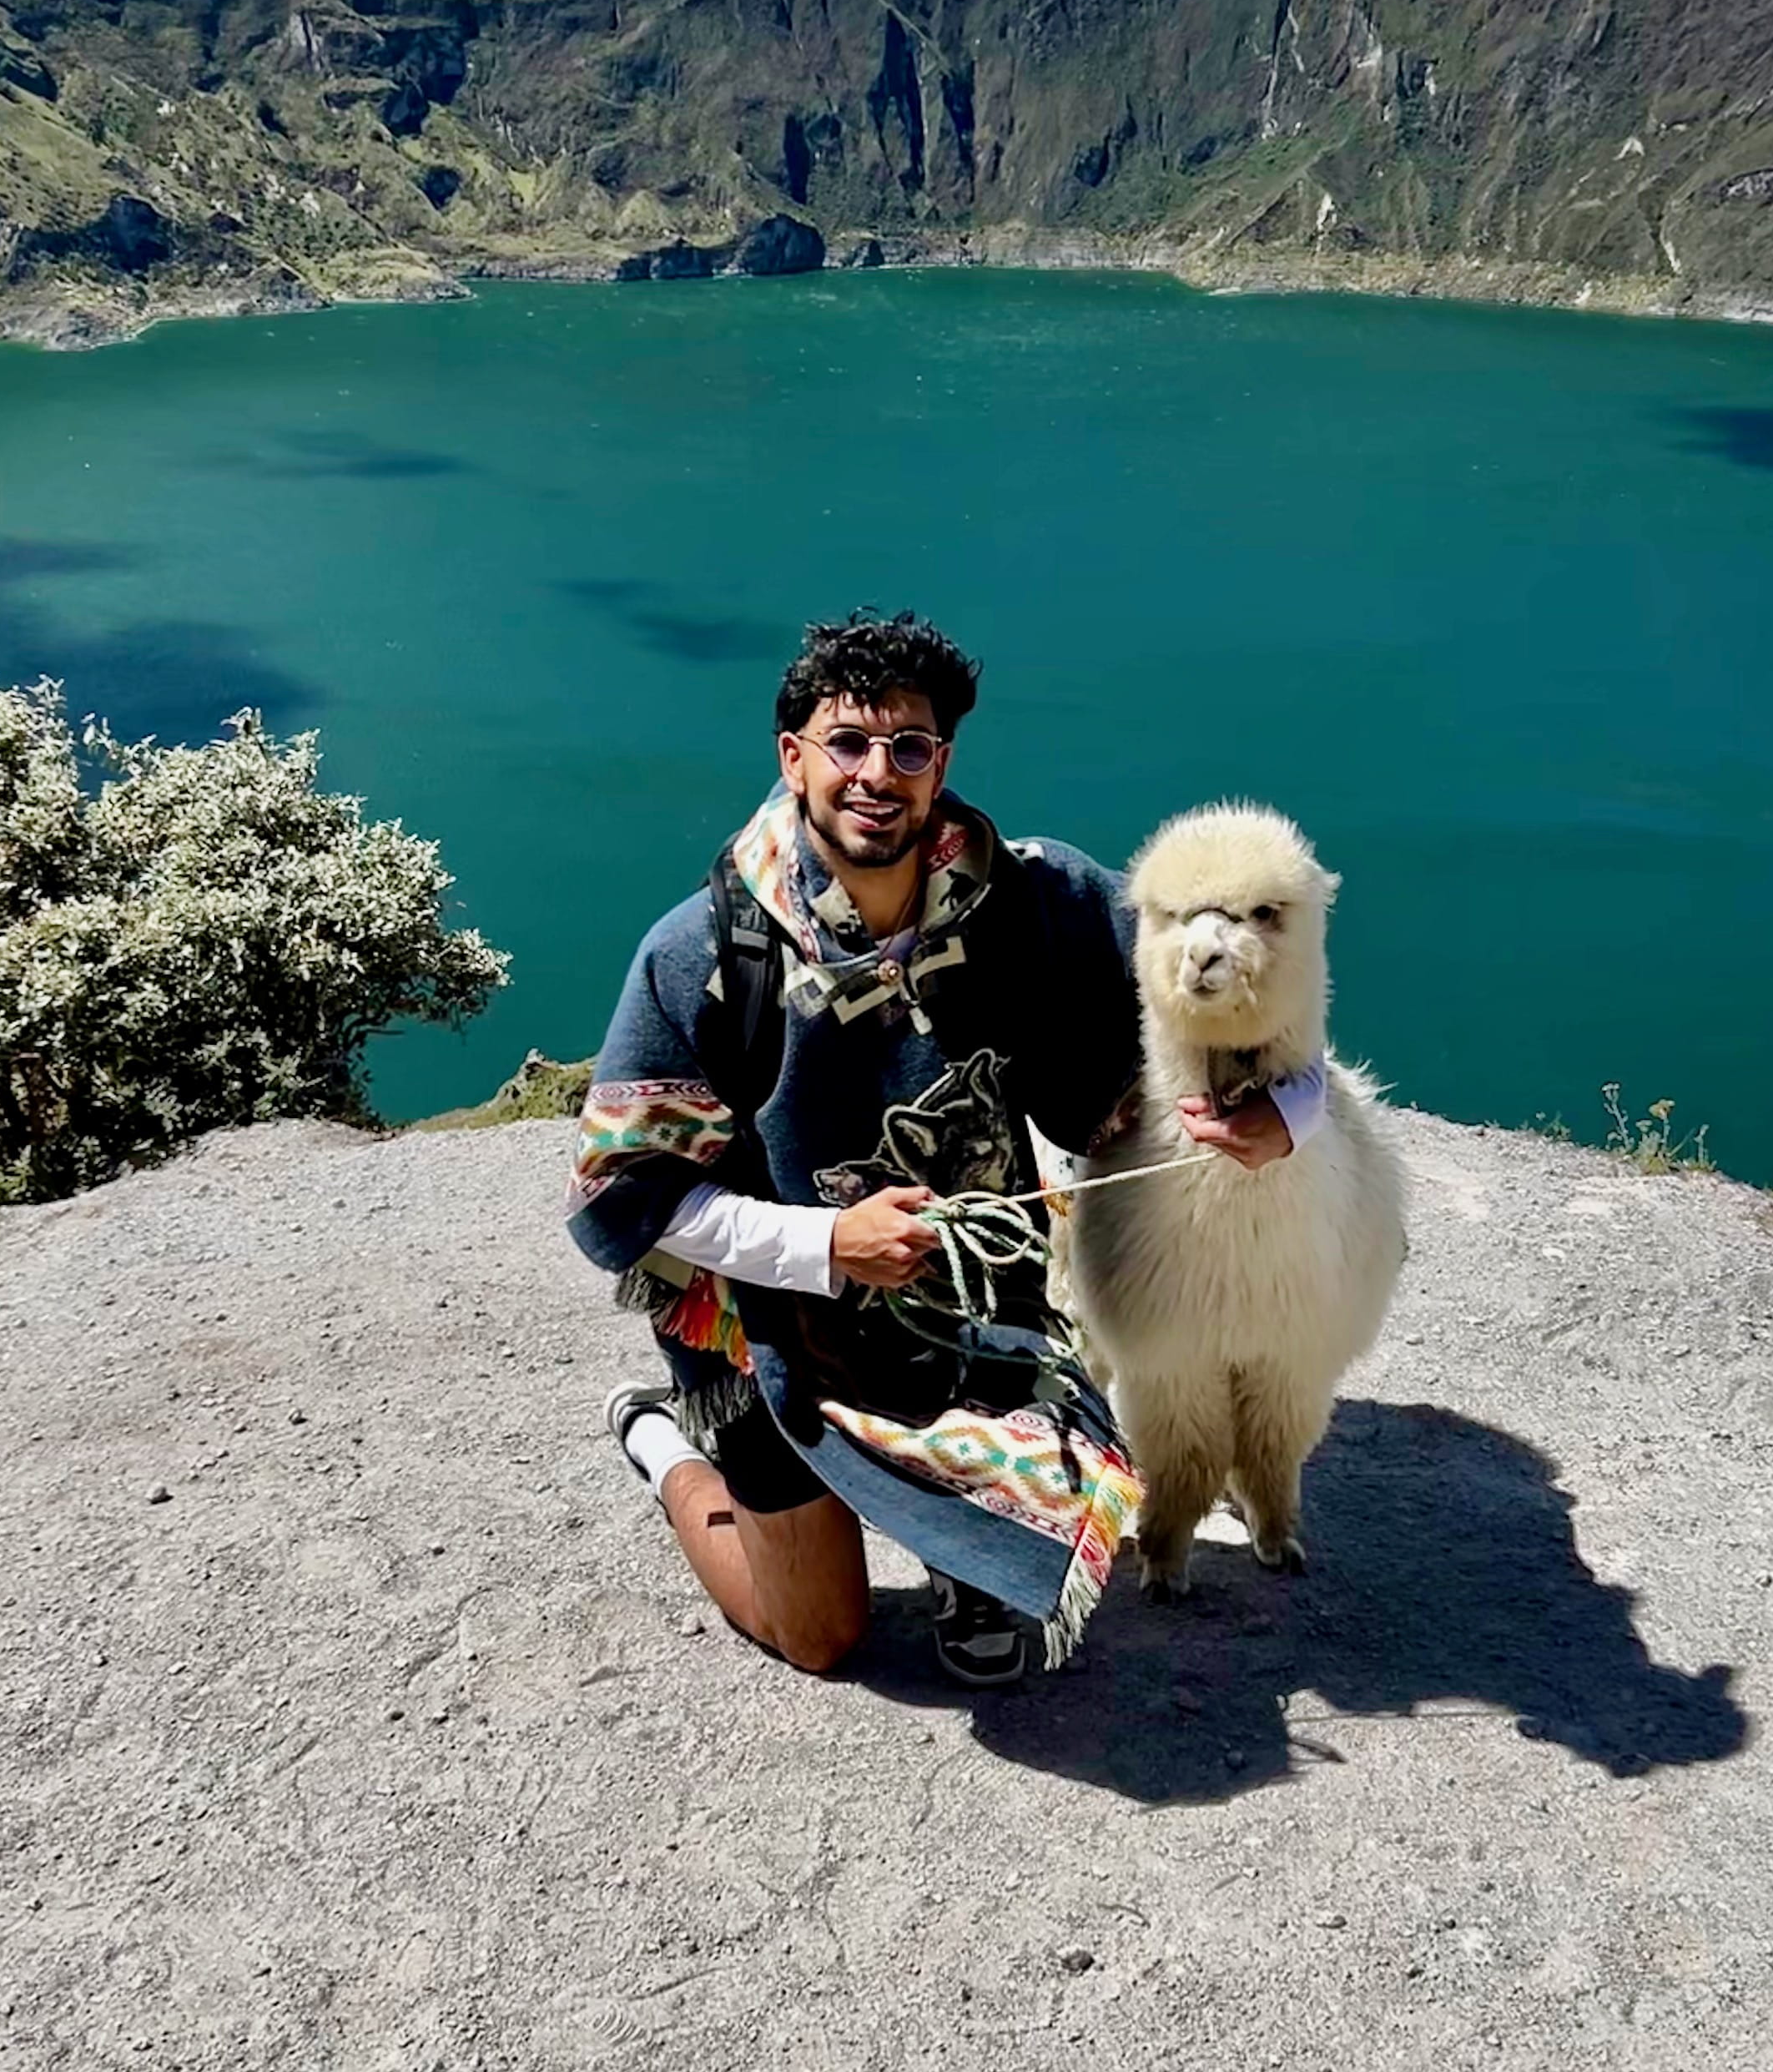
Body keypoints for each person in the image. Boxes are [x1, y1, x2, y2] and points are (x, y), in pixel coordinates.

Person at [566, 609, 1322, 1686]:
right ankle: (665, 1448)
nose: (879, 774)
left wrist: (1287, 1108)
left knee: (1017, 1590)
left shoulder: (1033, 901)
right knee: (819, 1638)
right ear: (794, 758)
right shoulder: (700, 956)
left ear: (941, 762)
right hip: (770, 1323)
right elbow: (628, 1199)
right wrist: (830, 1245)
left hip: (973, 1319)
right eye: (848, 743)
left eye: (908, 747)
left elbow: (1247, 981)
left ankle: (971, 1542)